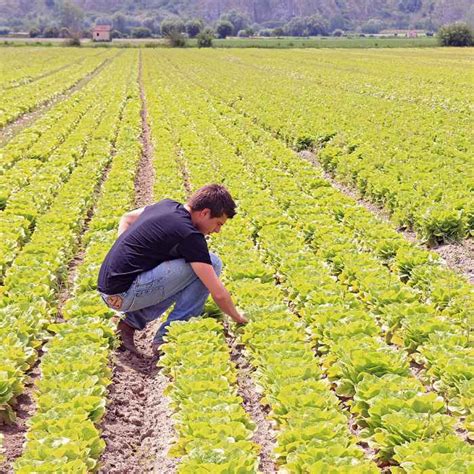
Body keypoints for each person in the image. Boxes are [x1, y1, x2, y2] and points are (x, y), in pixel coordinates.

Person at [98, 184, 248, 356]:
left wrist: (125, 251)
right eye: (218, 223)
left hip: (109, 290)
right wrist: (238, 318)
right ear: (205, 213)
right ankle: (167, 337)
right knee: (212, 263)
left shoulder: (166, 205)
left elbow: (127, 217)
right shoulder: (190, 235)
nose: (217, 230)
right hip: (123, 295)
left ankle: (128, 325)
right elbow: (218, 293)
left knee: (187, 265)